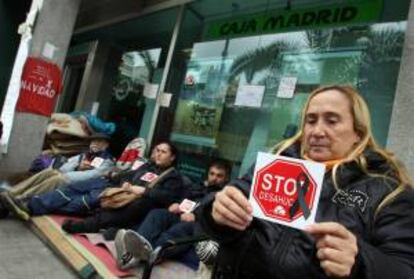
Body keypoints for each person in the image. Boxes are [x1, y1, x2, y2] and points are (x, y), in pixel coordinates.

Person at [197, 85, 414, 279]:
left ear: (358, 132)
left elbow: (405, 268)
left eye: (332, 120)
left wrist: (360, 261)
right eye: (311, 121)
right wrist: (215, 211)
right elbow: (217, 214)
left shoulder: (388, 192)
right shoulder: (277, 163)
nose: (317, 131)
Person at [114, 160, 231, 270]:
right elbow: (183, 198)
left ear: (226, 178)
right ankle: (133, 252)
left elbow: (219, 219)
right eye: (212, 174)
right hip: (180, 213)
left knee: (182, 228)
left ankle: (151, 254)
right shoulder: (199, 186)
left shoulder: (225, 196)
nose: (214, 178)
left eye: (219, 176)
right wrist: (176, 204)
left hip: (198, 224)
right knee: (157, 214)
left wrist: (197, 217)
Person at [61, 141, 186, 234]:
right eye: (157, 150)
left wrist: (145, 191)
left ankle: (84, 226)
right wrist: (125, 182)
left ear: (172, 157)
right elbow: (128, 175)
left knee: (136, 205)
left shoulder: (173, 176)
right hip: (127, 195)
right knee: (103, 196)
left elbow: (168, 197)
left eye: (163, 152)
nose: (158, 154)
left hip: (143, 205)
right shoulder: (148, 166)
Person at [0, 133, 114, 220]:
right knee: (50, 172)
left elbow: (93, 175)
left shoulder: (107, 161)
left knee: (59, 178)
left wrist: (69, 173)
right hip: (71, 176)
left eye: (99, 142)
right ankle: (12, 193)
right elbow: (63, 167)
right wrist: (78, 166)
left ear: (106, 145)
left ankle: (22, 199)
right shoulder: (83, 155)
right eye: (93, 141)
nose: (95, 144)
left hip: (82, 185)